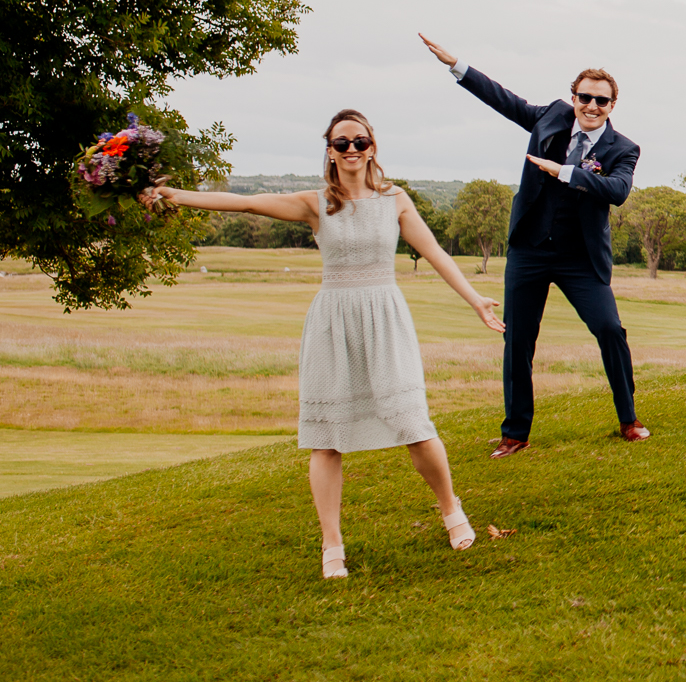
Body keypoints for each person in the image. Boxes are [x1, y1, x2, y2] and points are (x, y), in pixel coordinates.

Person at [148, 109, 504, 579]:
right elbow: (245, 203)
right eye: (342, 144)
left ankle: (451, 510)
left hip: (385, 318)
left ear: (372, 147)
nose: (352, 150)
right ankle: (332, 544)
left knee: (414, 423)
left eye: (360, 142)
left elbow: (434, 251)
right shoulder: (315, 204)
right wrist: (175, 196)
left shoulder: (395, 200)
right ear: (330, 151)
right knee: (327, 438)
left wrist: (475, 299)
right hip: (333, 322)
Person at [418, 34, 646, 456]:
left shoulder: (623, 148)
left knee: (610, 330)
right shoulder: (552, 118)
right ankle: (515, 434)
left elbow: (617, 190)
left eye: (601, 101)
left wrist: (565, 172)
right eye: (585, 97)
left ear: (613, 105)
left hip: (581, 258)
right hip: (529, 249)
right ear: (573, 97)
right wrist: (458, 66)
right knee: (518, 339)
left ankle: (629, 419)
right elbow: (504, 100)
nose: (592, 106)